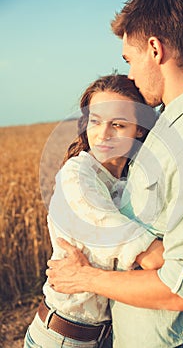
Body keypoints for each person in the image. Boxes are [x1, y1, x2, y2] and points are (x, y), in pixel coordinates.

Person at [47, 0, 183, 347]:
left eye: (129, 60)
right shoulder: (168, 128)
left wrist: (83, 277)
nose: (130, 74)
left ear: (154, 49)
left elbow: (181, 291)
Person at [24, 74, 160, 348]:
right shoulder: (77, 178)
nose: (103, 134)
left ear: (140, 129)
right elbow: (153, 258)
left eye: (118, 124)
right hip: (62, 338)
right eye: (95, 121)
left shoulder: (132, 181)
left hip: (109, 337)